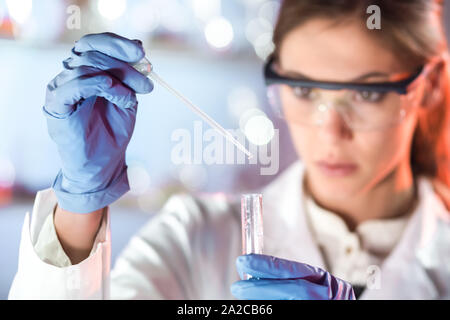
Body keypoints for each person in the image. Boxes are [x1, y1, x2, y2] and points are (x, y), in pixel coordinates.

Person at [8, 0, 450, 300]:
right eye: (302, 89)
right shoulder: (194, 237)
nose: (330, 130)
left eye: (366, 94)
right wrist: (79, 206)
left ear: (428, 85)